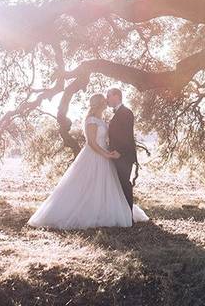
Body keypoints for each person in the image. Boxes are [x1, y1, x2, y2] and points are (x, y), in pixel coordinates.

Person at [27, 92, 148, 229]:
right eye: (104, 100)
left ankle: (106, 211)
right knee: (89, 184)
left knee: (105, 186)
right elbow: (91, 143)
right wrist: (106, 154)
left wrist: (110, 152)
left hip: (106, 154)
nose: (106, 102)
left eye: (107, 99)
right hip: (94, 155)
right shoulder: (91, 120)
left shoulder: (102, 119)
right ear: (99, 104)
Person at [107, 87, 138, 210]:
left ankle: (128, 214)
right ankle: (120, 213)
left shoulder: (126, 112)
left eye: (108, 96)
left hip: (123, 155)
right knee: (118, 184)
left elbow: (127, 135)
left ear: (116, 96)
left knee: (124, 183)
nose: (107, 99)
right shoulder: (117, 113)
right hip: (116, 155)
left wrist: (120, 152)